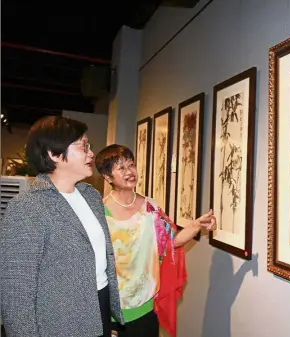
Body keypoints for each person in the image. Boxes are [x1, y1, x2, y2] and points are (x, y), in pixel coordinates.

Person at [0, 116, 124, 337]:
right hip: (60, 322)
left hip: (99, 306)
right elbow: (16, 295)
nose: (91, 153)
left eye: (89, 146)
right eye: (83, 146)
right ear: (54, 154)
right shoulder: (27, 207)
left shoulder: (91, 197)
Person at [95, 144, 216, 337]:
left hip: (146, 305)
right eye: (121, 168)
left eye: (131, 164)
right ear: (108, 177)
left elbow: (171, 242)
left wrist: (196, 225)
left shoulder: (150, 207)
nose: (129, 172)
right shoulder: (100, 212)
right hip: (113, 310)